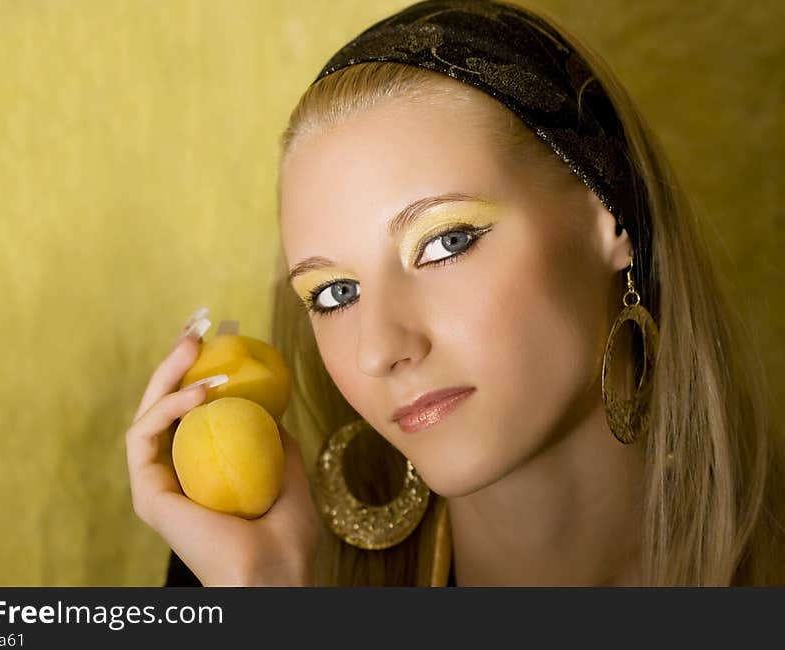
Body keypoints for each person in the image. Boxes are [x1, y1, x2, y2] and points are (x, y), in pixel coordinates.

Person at [126, 0, 785, 586]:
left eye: (445, 242)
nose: (381, 348)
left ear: (609, 214)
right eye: (334, 292)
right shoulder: (246, 576)